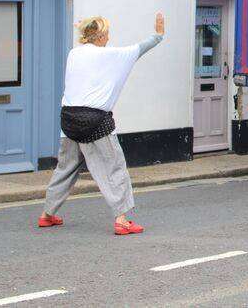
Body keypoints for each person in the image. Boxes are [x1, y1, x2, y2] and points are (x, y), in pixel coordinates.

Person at [39, 13, 165, 235]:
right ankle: (122, 219)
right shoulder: (113, 55)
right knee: (113, 167)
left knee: (65, 168)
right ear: (102, 35)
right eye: (107, 33)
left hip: (68, 119)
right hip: (96, 121)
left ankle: (47, 215)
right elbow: (142, 47)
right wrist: (159, 35)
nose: (109, 37)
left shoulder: (74, 54)